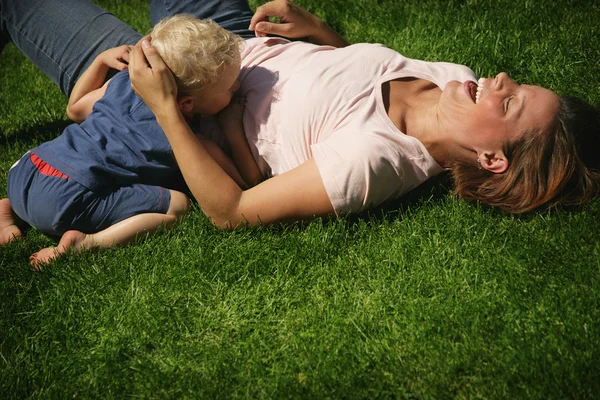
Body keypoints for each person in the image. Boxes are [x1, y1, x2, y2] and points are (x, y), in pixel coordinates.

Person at [2, 1, 599, 237]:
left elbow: (230, 212)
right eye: (515, 84)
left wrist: (163, 104)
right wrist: (321, 35)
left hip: (182, 91)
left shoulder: (374, 160)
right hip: (222, 39)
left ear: (493, 158)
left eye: (511, 102)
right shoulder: (454, 77)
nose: (498, 81)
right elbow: (354, 81)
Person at [0, 13, 252, 266]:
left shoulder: (122, 84)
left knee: (63, 170)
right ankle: (86, 244)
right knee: (178, 205)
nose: (237, 86)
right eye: (230, 87)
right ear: (187, 104)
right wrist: (232, 126)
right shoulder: (190, 143)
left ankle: (8, 210)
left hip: (26, 169)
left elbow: (74, 110)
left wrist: (100, 61)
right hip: (65, 200)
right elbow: (245, 183)